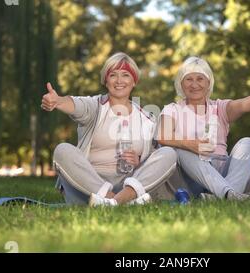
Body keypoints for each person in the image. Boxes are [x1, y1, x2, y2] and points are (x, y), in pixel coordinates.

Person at [42, 52, 177, 206]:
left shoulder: (147, 119)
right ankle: (119, 202)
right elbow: (75, 105)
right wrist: (58, 101)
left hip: (127, 185)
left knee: (169, 153)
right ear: (106, 80)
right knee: (62, 150)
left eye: (126, 75)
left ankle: (114, 202)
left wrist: (139, 161)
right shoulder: (95, 107)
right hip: (89, 187)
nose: (119, 80)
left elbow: (153, 162)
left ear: (134, 81)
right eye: (113, 75)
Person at [158, 56, 250, 200]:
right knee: (181, 150)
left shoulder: (220, 108)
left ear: (208, 82)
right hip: (191, 176)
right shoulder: (172, 110)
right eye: (189, 79)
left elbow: (245, 103)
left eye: (200, 79)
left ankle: (225, 194)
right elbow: (162, 136)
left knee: (249, 143)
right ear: (181, 83)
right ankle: (228, 194)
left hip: (221, 172)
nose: (194, 84)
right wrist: (191, 145)